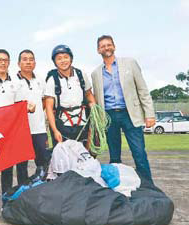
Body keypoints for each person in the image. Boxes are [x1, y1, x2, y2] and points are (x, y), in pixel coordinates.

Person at [91, 35, 155, 183]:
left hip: (129, 114)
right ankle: (119, 185)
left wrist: (149, 114)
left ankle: (148, 185)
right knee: (114, 156)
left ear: (114, 46)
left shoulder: (130, 63)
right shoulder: (95, 74)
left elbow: (143, 90)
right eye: (102, 46)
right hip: (109, 117)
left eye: (109, 45)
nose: (106, 48)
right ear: (98, 50)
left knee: (139, 152)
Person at [0, 49, 34, 218]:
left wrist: (29, 107)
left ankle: (6, 203)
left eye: (5, 60)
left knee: (7, 171)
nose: (2, 63)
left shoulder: (16, 83)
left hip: (10, 133)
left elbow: (19, 106)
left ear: (9, 62)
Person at [44, 45, 96, 148]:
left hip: (83, 123)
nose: (63, 61)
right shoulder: (52, 80)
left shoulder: (81, 75)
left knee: (83, 156)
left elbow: (89, 94)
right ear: (55, 62)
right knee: (64, 158)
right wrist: (55, 131)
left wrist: (94, 107)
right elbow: (49, 108)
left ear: (71, 59)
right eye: (59, 58)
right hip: (63, 125)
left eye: (65, 57)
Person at [14, 49, 48, 179]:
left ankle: (41, 191)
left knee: (43, 163)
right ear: (19, 63)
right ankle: (23, 193)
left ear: (35, 63)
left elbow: (45, 101)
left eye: (31, 59)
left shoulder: (40, 80)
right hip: (21, 130)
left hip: (39, 129)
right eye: (24, 59)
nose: (28, 62)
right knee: (22, 166)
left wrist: (38, 113)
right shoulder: (13, 81)